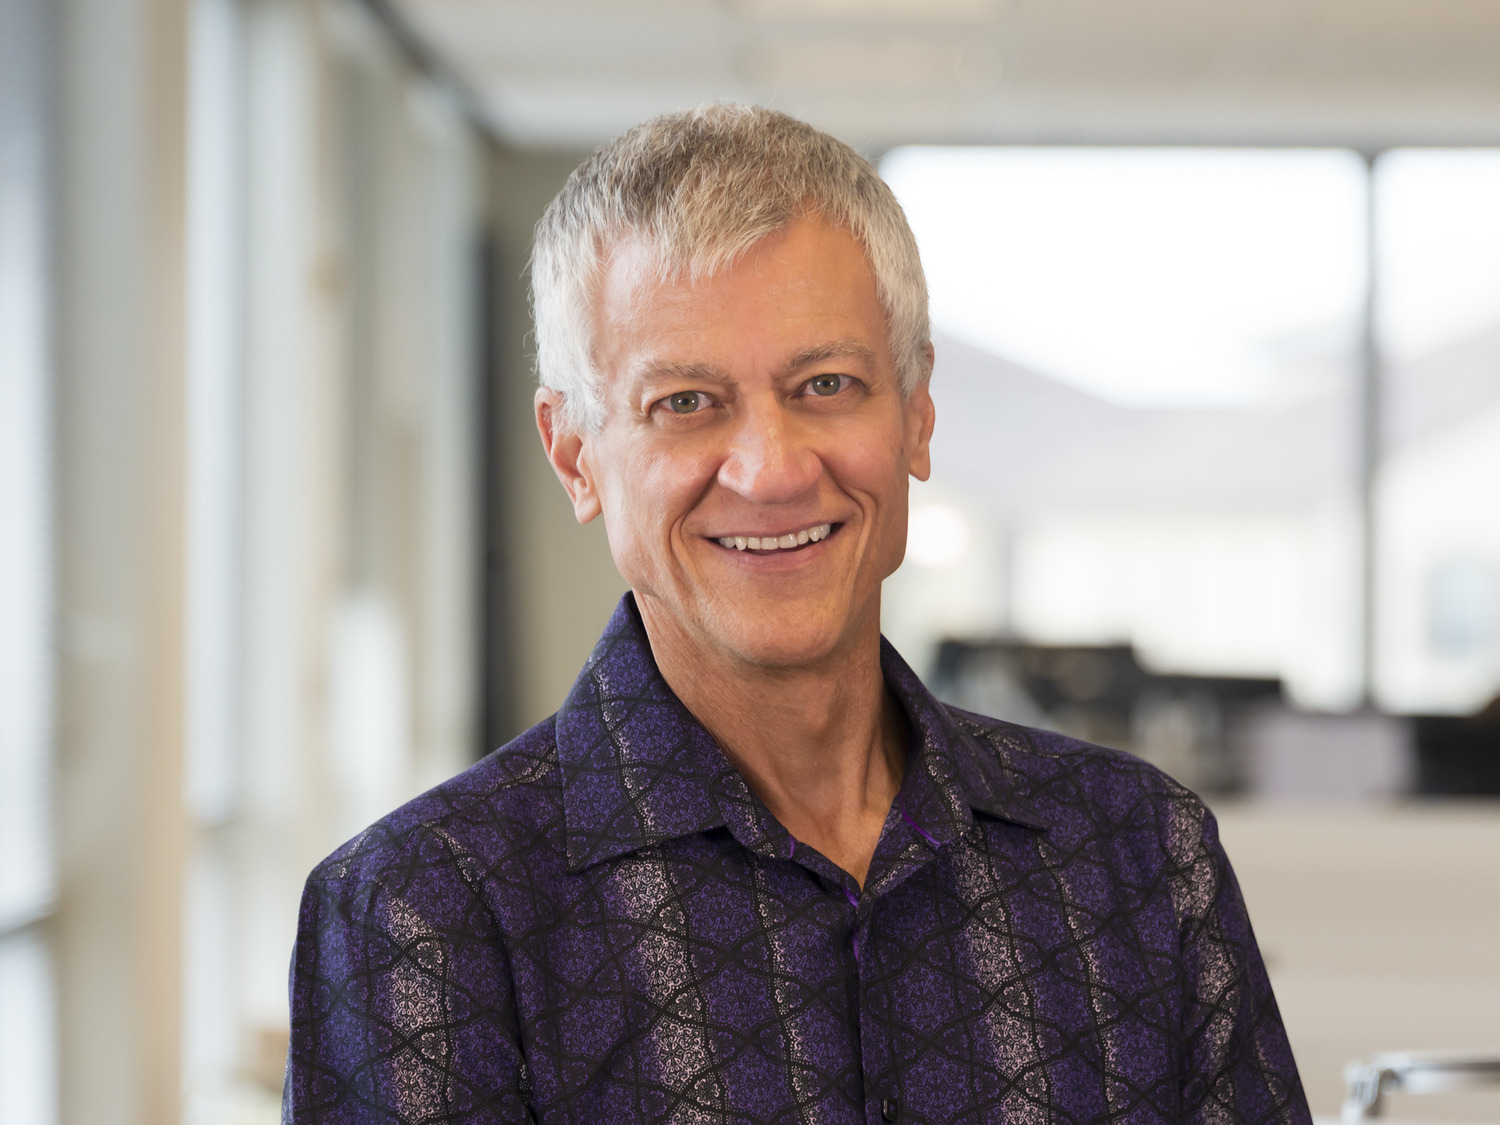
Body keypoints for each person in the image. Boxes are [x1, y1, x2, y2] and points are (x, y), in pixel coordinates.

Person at [283, 104, 1311, 1124]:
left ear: (915, 413)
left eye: (826, 384)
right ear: (574, 453)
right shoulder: (424, 913)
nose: (771, 470)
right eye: (685, 401)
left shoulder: (1138, 855)